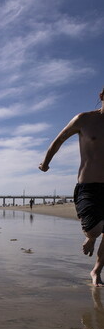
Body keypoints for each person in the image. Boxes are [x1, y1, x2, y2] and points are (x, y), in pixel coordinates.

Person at [39, 87, 104, 286]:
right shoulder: (84, 120)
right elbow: (59, 140)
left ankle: (96, 271)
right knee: (94, 230)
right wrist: (46, 162)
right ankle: (91, 238)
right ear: (102, 96)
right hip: (88, 186)